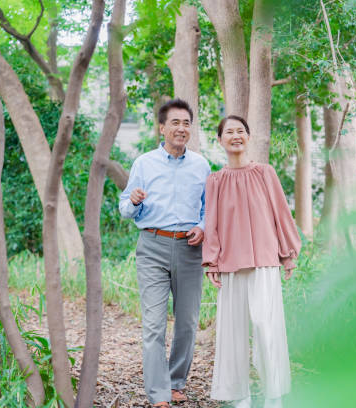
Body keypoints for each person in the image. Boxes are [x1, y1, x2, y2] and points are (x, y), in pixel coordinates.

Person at [202, 115, 301, 408]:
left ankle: (274, 396)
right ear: (220, 140)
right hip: (230, 264)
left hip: (264, 261)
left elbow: (281, 214)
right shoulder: (215, 180)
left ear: (249, 136)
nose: (236, 136)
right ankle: (239, 397)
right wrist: (211, 261)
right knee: (232, 334)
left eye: (241, 131)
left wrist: (288, 254)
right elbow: (212, 223)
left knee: (266, 327)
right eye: (229, 132)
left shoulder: (265, 173)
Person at [119, 99, 210, 408]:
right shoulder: (144, 163)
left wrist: (202, 226)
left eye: (186, 123)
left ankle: (175, 382)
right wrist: (133, 199)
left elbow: (207, 208)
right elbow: (124, 209)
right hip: (152, 247)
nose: (181, 128)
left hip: (190, 249)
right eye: (175, 123)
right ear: (162, 128)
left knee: (187, 321)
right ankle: (158, 394)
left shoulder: (201, 165)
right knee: (154, 325)